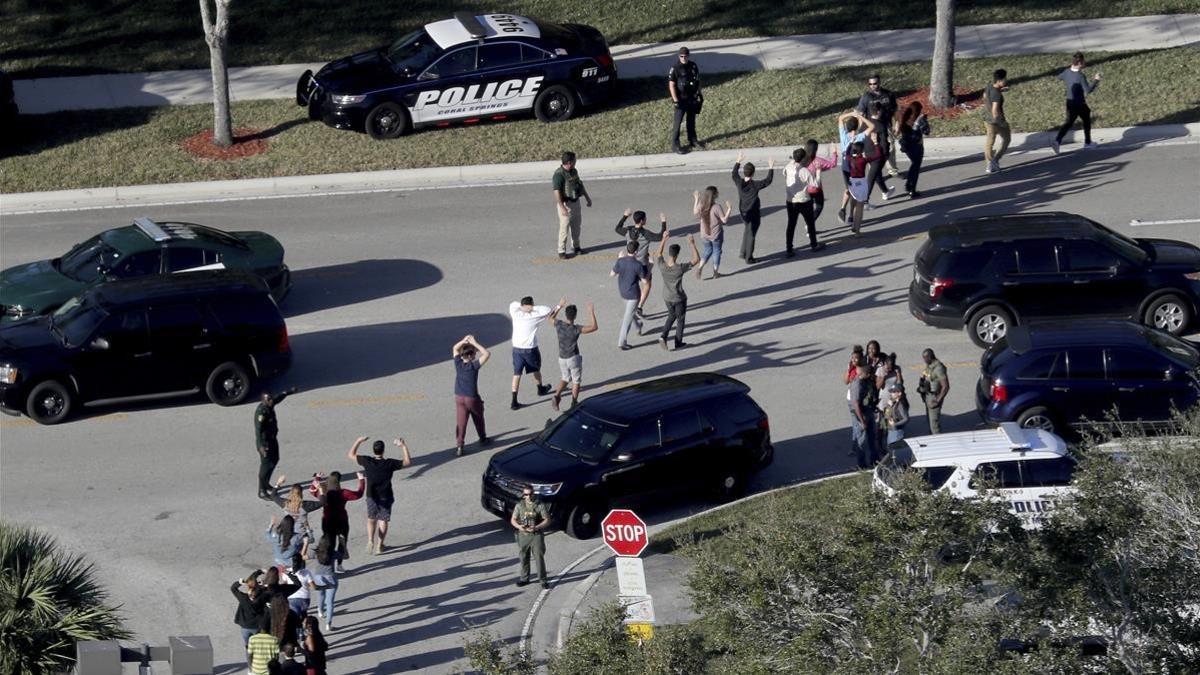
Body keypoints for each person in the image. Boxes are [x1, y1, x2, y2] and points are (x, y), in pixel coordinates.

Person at [349, 436, 412, 554]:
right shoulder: (389, 463)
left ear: (373, 450)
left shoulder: (367, 461)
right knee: (383, 520)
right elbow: (407, 462)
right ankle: (380, 545)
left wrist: (358, 441)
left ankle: (370, 541)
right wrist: (403, 446)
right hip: (386, 496)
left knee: (371, 519)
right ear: (383, 451)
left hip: (371, 495)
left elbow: (351, 454)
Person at [508, 296, 560, 409]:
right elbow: (547, 309)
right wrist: (532, 308)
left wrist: (523, 307)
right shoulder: (535, 315)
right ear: (531, 305)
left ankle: (514, 401)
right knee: (536, 369)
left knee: (516, 374)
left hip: (516, 349)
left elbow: (513, 303)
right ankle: (540, 388)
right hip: (530, 349)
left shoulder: (515, 312)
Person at [308, 471, 364, 573]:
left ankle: (330, 566)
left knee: (329, 543)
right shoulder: (344, 493)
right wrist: (361, 480)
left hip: (327, 522)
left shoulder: (324, 492)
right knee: (342, 543)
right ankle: (340, 565)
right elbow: (359, 494)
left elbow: (312, 490)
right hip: (341, 522)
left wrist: (317, 478)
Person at [784, 145, 835, 255]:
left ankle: (789, 248)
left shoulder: (788, 167)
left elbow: (784, 173)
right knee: (810, 223)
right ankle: (814, 244)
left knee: (791, 225)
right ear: (802, 159)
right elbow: (815, 184)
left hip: (790, 200)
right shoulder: (804, 171)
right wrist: (818, 171)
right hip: (803, 200)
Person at [614, 209, 666, 316]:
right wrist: (663, 222)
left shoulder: (628, 231)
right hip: (642, 265)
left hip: (630, 262)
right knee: (647, 284)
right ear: (642, 221)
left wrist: (624, 216)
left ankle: (632, 304)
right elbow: (660, 236)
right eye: (645, 218)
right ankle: (639, 306)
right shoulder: (646, 234)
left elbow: (617, 228)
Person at [548, 302, 598, 411]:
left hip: (562, 358)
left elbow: (550, 318)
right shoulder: (576, 329)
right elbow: (594, 327)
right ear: (575, 316)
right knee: (576, 381)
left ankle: (556, 396)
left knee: (565, 378)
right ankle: (574, 402)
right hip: (573, 358)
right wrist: (591, 312)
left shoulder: (559, 324)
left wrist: (559, 306)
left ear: (566, 314)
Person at [656, 232, 701, 350]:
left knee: (671, 315)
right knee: (680, 319)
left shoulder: (662, 265)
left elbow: (658, 253)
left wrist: (664, 239)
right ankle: (678, 342)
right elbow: (696, 259)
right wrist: (692, 243)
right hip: (678, 298)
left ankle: (663, 336)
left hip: (666, 297)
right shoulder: (679, 268)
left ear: (669, 254)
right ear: (677, 255)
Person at [1052, 52, 1101, 153]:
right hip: (1079, 103)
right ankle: (1088, 143)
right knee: (1086, 120)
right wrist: (1096, 80)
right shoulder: (1080, 76)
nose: (1084, 63)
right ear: (1080, 63)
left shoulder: (1066, 72)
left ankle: (1057, 141)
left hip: (1069, 102)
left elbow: (1059, 77)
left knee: (1069, 122)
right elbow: (1088, 90)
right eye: (1083, 62)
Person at [255, 387, 299, 499]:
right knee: (265, 466)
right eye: (268, 399)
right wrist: (261, 446)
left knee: (275, 460)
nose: (271, 401)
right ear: (263, 401)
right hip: (265, 444)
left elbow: (278, 398)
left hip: (272, 439)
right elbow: (258, 431)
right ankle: (261, 490)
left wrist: (289, 391)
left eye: (271, 398)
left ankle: (266, 484)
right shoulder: (262, 412)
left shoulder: (270, 404)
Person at [732, 150, 775, 264]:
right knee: (751, 234)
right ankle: (748, 257)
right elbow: (768, 181)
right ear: (753, 173)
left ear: (744, 172)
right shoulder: (755, 185)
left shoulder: (739, 183)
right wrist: (771, 167)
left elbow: (734, 174)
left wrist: (738, 161)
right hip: (753, 213)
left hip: (743, 212)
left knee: (747, 229)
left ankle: (743, 252)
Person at [451, 335, 491, 456]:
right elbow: (487, 354)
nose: (475, 355)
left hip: (459, 397)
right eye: (474, 353)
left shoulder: (458, 364)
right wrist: (475, 342)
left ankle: (459, 446)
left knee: (461, 422)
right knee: (478, 418)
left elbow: (455, 348)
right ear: (470, 356)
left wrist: (463, 341)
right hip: (471, 398)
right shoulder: (473, 366)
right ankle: (483, 438)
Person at [856, 73, 899, 176]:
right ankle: (874, 173)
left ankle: (892, 170)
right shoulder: (866, 97)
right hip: (872, 128)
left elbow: (895, 110)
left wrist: (896, 123)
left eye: (875, 83)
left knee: (891, 147)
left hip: (886, 125)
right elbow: (860, 114)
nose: (873, 86)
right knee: (873, 150)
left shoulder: (888, 95)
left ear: (879, 82)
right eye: (870, 84)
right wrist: (859, 131)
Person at [836, 111, 874, 223]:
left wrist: (852, 113)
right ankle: (851, 215)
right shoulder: (859, 137)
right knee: (855, 192)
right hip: (856, 167)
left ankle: (843, 209)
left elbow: (840, 118)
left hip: (845, 166)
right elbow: (872, 126)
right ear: (857, 127)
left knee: (848, 188)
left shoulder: (843, 135)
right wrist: (860, 116)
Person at [552, 151, 592, 258]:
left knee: (576, 227)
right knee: (564, 228)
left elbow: (580, 184)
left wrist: (587, 197)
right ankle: (561, 251)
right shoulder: (559, 175)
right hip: (566, 204)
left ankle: (576, 246)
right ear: (569, 162)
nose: (576, 162)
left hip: (575, 202)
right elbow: (556, 192)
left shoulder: (574, 171)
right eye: (574, 160)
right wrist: (562, 207)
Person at [611, 242, 650, 349]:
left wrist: (618, 259)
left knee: (630, 313)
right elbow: (645, 282)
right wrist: (649, 268)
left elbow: (612, 274)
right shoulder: (638, 265)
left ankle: (638, 326)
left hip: (622, 292)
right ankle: (621, 343)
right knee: (627, 319)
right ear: (636, 252)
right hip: (633, 294)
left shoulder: (620, 261)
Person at [511, 485, 552, 589]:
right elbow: (513, 520)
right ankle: (524, 578)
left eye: (530, 494)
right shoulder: (520, 505)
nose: (528, 497)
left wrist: (537, 527)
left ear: (533, 493)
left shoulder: (539, 505)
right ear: (523, 495)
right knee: (523, 557)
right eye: (526, 494)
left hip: (536, 535)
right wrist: (519, 527)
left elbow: (547, 520)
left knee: (539, 557)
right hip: (523, 535)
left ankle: (543, 580)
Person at [668, 46, 704, 154]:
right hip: (681, 99)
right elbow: (671, 85)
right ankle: (675, 145)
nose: (683, 58)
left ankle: (693, 140)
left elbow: (697, 80)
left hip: (692, 98)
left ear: (688, 56)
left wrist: (699, 93)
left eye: (685, 56)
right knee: (677, 123)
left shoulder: (693, 66)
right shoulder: (675, 68)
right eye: (681, 56)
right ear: (679, 56)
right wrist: (675, 100)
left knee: (691, 121)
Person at [693, 186, 731, 280]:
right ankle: (715, 273)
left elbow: (695, 212)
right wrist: (729, 209)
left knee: (707, 250)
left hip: (704, 235)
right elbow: (724, 220)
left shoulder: (702, 204)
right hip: (716, 235)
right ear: (715, 195)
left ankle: (700, 267)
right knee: (716, 252)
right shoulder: (716, 207)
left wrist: (696, 199)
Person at [846, 140, 882, 235]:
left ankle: (853, 224)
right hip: (861, 183)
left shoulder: (850, 158)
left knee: (854, 202)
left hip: (852, 183)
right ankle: (857, 231)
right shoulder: (863, 160)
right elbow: (878, 155)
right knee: (859, 208)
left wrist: (850, 144)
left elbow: (846, 152)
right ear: (862, 151)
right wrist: (876, 144)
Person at [896, 102, 931, 197]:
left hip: (907, 146)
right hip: (917, 146)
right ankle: (912, 189)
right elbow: (927, 132)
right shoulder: (919, 120)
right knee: (915, 168)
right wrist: (925, 121)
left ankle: (908, 185)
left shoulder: (904, 119)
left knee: (913, 164)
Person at [232, 570, 269, 657]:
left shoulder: (243, 598)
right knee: (257, 646)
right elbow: (264, 590)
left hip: (245, 626)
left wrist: (239, 582)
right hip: (256, 627)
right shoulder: (261, 599)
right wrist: (262, 585)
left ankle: (250, 665)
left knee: (248, 647)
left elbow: (233, 588)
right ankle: (257, 660)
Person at [864, 102, 895, 203]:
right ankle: (865, 200)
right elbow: (884, 144)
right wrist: (886, 155)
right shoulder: (881, 126)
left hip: (867, 153)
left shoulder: (866, 123)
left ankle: (885, 191)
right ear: (878, 111)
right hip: (878, 155)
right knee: (872, 177)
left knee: (876, 173)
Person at [306, 534, 339, 631]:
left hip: (318, 577)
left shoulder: (316, 553)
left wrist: (305, 545)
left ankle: (320, 611)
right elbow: (345, 556)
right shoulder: (333, 553)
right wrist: (343, 545)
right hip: (330, 578)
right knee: (330, 602)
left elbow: (304, 556)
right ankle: (328, 623)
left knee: (320, 595)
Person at [983, 69, 1010, 174]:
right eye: (1004, 79)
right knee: (1007, 139)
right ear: (999, 81)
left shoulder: (989, 86)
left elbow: (985, 96)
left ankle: (989, 164)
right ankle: (995, 160)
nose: (1006, 80)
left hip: (987, 120)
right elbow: (995, 110)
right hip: (997, 121)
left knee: (989, 142)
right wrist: (1000, 122)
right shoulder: (997, 95)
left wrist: (1001, 90)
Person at [848, 365, 875, 469]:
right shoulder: (857, 384)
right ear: (866, 374)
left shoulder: (865, 381)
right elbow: (855, 404)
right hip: (861, 415)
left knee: (872, 437)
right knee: (861, 441)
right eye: (870, 374)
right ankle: (861, 464)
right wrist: (862, 421)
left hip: (868, 412)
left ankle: (874, 460)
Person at [919, 348, 950, 434]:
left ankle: (937, 441)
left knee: (934, 424)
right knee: (929, 421)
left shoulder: (938, 368)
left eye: (925, 357)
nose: (924, 360)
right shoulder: (929, 366)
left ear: (930, 356)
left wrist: (937, 401)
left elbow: (945, 386)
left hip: (934, 397)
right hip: (928, 395)